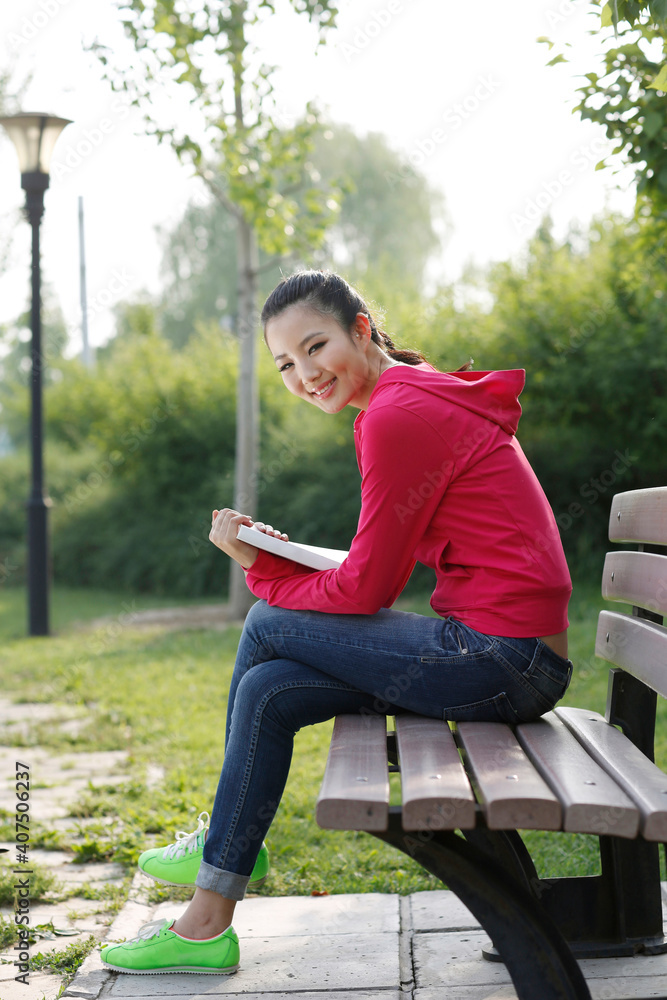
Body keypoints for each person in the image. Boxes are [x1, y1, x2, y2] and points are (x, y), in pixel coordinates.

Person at [101, 269, 572, 976]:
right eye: (286, 364)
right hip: (508, 653)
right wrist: (286, 559)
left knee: (264, 622)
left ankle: (221, 841)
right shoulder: (405, 395)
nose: (304, 373)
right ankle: (206, 923)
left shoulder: (394, 413)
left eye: (314, 346)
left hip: (503, 658)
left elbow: (369, 589)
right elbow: (372, 568)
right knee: (270, 693)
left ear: (359, 327)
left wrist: (262, 569)